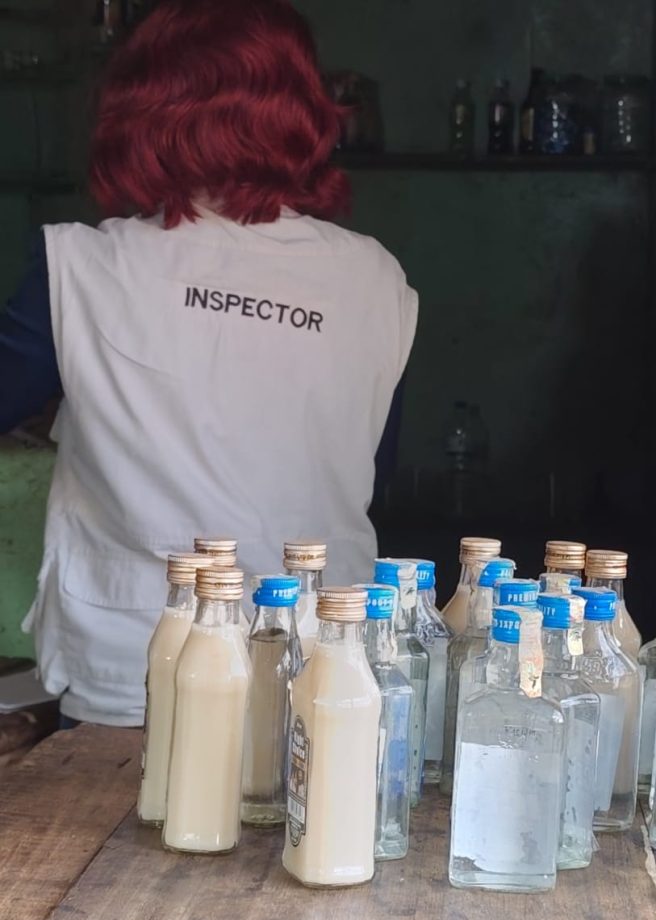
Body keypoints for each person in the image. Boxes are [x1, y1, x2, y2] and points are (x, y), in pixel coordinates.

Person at [0, 0, 417, 726]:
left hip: (135, 677)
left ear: (139, 108)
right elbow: (370, 473)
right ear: (306, 111)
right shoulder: (374, 279)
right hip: (322, 676)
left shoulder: (81, 267)